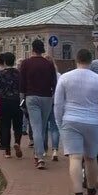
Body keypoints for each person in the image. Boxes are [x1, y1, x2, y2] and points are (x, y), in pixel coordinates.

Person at [54, 48, 98, 195]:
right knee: (91, 157)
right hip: (93, 121)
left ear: (76, 60)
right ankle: (91, 189)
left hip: (70, 120)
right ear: (91, 61)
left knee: (75, 157)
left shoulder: (65, 78)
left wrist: (60, 122)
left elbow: (58, 104)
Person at [19, 38, 59, 169]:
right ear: (42, 49)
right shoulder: (48, 64)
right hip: (47, 97)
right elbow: (54, 83)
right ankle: (38, 154)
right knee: (42, 127)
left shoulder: (26, 63)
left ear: (32, 49)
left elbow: (22, 83)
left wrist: (23, 97)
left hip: (31, 97)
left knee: (36, 127)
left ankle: (40, 157)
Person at [0, 52, 24, 159]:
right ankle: (17, 142)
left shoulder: (1, 74)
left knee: (5, 126)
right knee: (18, 125)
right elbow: (24, 88)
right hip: (17, 102)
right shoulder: (19, 73)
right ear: (13, 61)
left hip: (4, 102)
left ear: (5, 62)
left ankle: (7, 151)